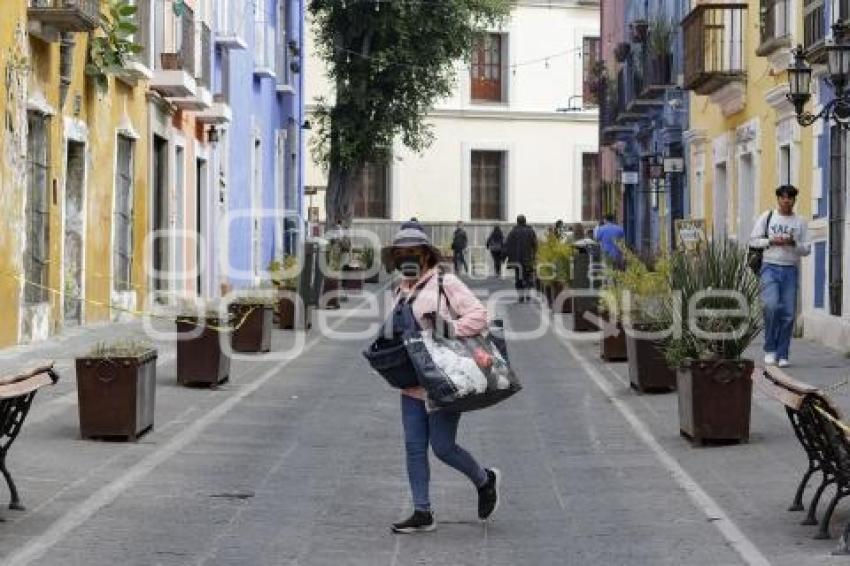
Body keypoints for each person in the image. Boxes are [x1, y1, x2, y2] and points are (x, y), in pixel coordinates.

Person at [380, 227, 501, 533]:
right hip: (411, 383)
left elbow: (479, 316)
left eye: (413, 254)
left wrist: (449, 329)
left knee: (443, 448)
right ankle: (423, 511)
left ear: (425, 255)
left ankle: (485, 480)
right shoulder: (398, 290)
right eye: (400, 254)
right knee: (414, 447)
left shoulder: (446, 282)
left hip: (444, 380)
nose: (407, 259)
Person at [749, 185, 811, 368]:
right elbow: (753, 240)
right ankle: (770, 349)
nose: (786, 201)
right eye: (783, 198)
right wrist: (771, 241)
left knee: (788, 314)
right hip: (769, 267)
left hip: (790, 269)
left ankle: (783, 353)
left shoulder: (800, 221)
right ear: (778, 199)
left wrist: (793, 243)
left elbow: (806, 249)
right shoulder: (767, 217)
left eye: (790, 198)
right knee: (771, 306)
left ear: (794, 200)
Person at [505, 215, 538, 302]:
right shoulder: (531, 231)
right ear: (525, 221)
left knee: (518, 277)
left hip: (517, 260)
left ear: (517, 221)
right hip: (528, 259)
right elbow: (535, 245)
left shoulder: (513, 232)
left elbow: (507, 245)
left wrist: (506, 257)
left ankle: (520, 296)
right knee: (528, 277)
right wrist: (534, 256)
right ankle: (527, 295)